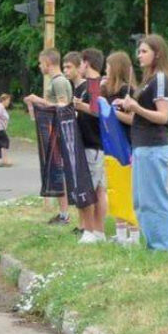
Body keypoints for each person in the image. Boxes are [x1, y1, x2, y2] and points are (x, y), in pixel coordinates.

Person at [115, 35, 168, 251]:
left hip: (153, 146)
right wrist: (121, 109)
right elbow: (137, 117)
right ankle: (153, 245)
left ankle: (162, 247)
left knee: (155, 200)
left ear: (157, 53)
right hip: (140, 145)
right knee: (141, 202)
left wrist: (136, 107)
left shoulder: (160, 78)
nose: (139, 55)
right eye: (139, 51)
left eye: (144, 51)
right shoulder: (147, 80)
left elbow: (163, 116)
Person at [24, 49, 75, 225]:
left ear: (47, 62)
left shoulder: (59, 81)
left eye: (40, 62)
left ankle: (65, 215)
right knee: (56, 173)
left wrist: (38, 100)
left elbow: (62, 106)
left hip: (59, 133)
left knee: (59, 173)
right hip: (55, 132)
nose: (39, 66)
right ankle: (62, 213)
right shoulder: (56, 81)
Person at [70, 49, 109, 244]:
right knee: (99, 189)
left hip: (92, 144)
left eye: (81, 64)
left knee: (89, 189)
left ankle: (90, 231)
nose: (79, 67)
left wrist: (80, 106)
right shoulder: (90, 85)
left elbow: (96, 111)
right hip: (93, 144)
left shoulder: (94, 84)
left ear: (86, 63)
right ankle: (99, 232)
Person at [103, 50, 140, 245]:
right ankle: (120, 232)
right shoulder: (109, 90)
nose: (105, 70)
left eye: (108, 66)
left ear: (116, 68)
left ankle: (134, 235)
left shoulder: (128, 91)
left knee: (128, 189)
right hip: (112, 144)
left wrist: (113, 113)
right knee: (115, 188)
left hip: (127, 143)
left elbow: (134, 119)